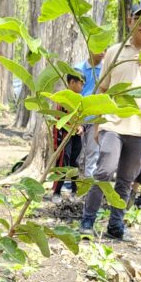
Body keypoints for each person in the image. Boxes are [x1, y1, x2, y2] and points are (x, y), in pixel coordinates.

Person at [80, 0, 141, 241]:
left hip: (140, 128)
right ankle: (87, 221)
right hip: (112, 123)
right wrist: (97, 123)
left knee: (126, 179)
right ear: (130, 21)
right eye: (138, 18)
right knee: (104, 171)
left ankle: (116, 225)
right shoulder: (115, 51)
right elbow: (103, 89)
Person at [51, 72, 84, 202]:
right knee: (63, 163)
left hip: (77, 137)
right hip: (65, 136)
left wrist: (81, 127)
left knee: (74, 163)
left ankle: (74, 191)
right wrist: (57, 143)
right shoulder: (63, 99)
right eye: (80, 83)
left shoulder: (80, 100)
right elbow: (58, 121)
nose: (82, 87)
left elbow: (83, 118)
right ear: (72, 82)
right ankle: (56, 192)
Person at [73, 49, 105, 178]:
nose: (103, 52)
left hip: (96, 118)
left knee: (93, 152)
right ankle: (73, 181)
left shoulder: (105, 70)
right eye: (100, 48)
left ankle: (88, 182)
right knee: (77, 152)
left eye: (105, 49)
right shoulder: (78, 68)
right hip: (79, 117)